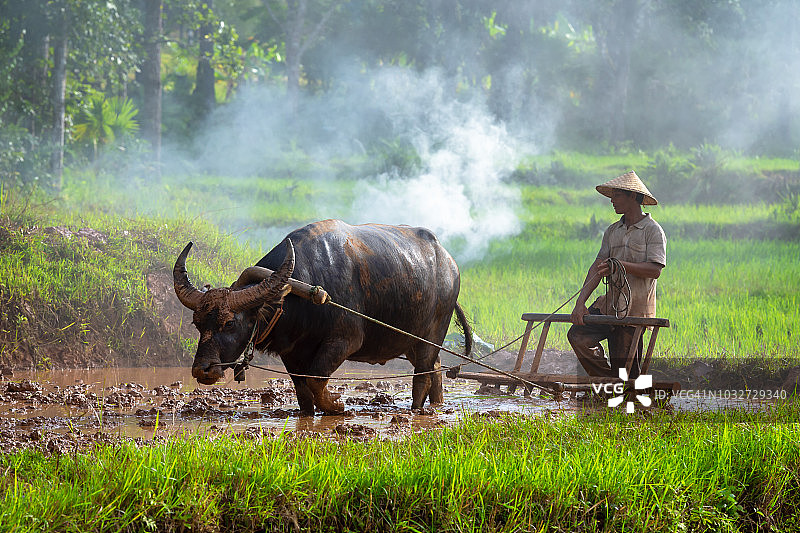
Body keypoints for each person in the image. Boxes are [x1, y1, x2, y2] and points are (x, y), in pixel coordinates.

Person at [568, 171, 666, 379]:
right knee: (578, 336)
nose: (612, 201)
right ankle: (607, 382)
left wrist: (621, 265)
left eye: (617, 196)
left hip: (634, 311)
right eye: (612, 196)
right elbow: (597, 266)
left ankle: (628, 397)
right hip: (609, 305)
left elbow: (655, 270)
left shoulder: (652, 230)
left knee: (627, 371)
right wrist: (580, 302)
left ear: (632, 196)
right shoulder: (613, 231)